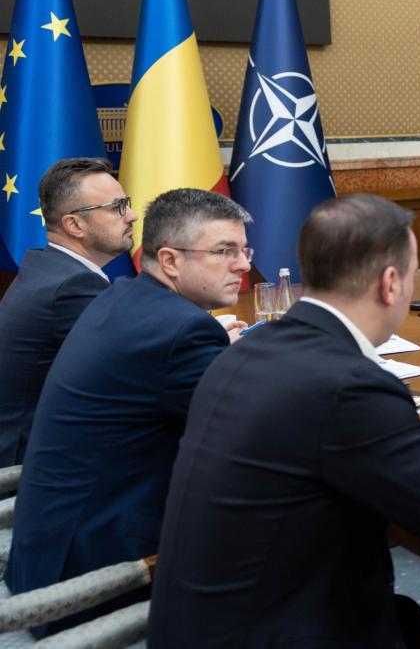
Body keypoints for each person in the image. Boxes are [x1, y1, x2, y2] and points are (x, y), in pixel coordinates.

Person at [148, 195, 420, 648]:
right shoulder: (353, 386)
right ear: (391, 284)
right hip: (278, 631)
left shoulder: (248, 351)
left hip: (200, 626)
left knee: (407, 619)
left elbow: (312, 438)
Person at [5, 188, 250, 631]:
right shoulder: (179, 331)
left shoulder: (126, 297)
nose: (243, 265)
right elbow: (253, 433)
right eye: (224, 251)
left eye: (243, 250)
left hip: (48, 554)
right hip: (91, 584)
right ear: (170, 260)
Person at [0, 158, 137, 466]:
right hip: (26, 473)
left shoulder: (49, 268)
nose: (132, 215)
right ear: (74, 225)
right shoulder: (72, 285)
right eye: (117, 207)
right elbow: (134, 371)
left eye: (126, 203)